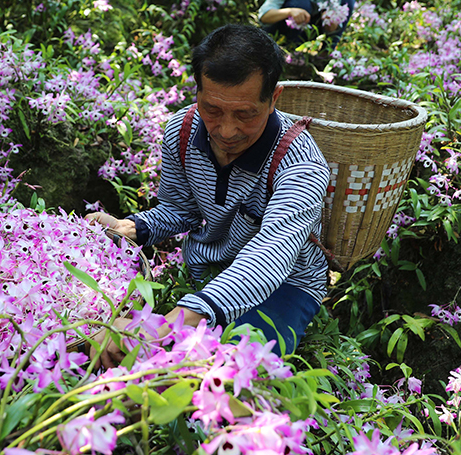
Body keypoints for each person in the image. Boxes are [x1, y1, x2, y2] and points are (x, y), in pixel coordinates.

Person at [88, 24, 330, 363]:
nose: (226, 131)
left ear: (274, 98)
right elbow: (179, 210)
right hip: (205, 271)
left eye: (245, 114)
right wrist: (131, 228)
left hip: (285, 284)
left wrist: (180, 320)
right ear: (198, 91)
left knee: (228, 368)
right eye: (212, 110)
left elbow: (271, 255)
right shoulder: (182, 131)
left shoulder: (300, 163)